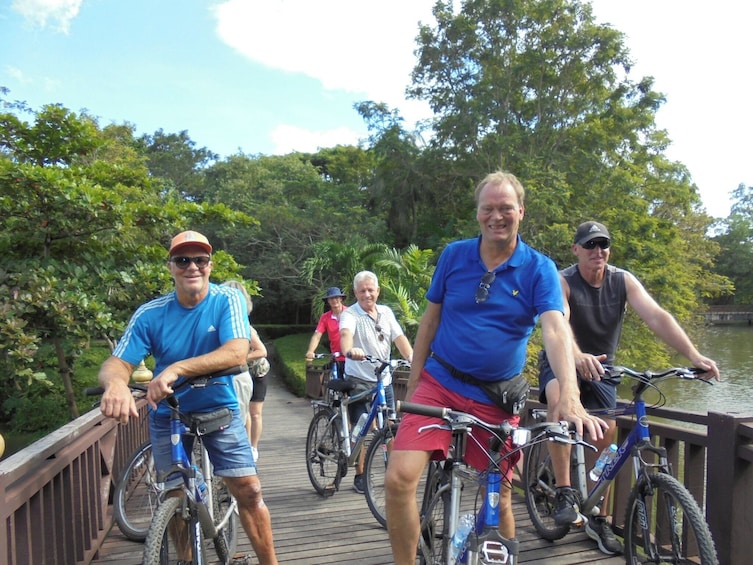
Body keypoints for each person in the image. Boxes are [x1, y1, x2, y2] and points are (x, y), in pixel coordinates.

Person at [384, 171, 607, 565]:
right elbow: (429, 322)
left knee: (500, 496)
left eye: (505, 208)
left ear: (520, 212)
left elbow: (555, 329)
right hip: (440, 383)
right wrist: (416, 382)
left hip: (496, 397)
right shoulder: (455, 255)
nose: (496, 216)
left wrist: (570, 396)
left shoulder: (538, 268)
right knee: (399, 478)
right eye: (488, 208)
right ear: (478, 214)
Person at [538, 220, 720, 555]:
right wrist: (576, 356)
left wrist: (694, 356)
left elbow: (656, 316)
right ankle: (563, 489)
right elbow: (559, 322)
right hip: (564, 358)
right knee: (559, 400)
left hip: (603, 367)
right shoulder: (563, 281)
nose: (598, 251)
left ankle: (596, 514)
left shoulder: (622, 280)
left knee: (606, 431)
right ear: (576, 249)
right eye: (590, 245)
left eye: (603, 244)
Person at [97, 230, 278, 565]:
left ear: (210, 265)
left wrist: (177, 368)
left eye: (200, 259)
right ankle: (187, 559)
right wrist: (116, 385)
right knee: (176, 497)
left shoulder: (227, 300)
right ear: (171, 267)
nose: (192, 266)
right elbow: (117, 362)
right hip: (170, 411)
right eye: (183, 260)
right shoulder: (151, 314)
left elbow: (237, 353)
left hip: (217, 407)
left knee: (249, 491)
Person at [340, 271, 413, 495]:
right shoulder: (350, 314)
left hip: (384, 378)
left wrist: (413, 358)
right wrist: (349, 350)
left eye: (371, 290)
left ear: (378, 291)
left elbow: (399, 338)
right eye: (362, 291)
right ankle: (360, 474)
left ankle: (392, 473)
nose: (367, 294)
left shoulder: (386, 312)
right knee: (362, 428)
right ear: (355, 293)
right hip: (359, 378)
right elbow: (345, 334)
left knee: (389, 426)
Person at [222, 280, 270, 463]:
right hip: (240, 374)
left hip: (257, 372)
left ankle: (253, 447)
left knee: (254, 412)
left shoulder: (245, 327)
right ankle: (246, 446)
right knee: (245, 413)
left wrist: (239, 358)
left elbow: (262, 351)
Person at [305, 286, 348, 377]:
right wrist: (310, 351)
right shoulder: (325, 317)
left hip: (350, 357)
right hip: (336, 357)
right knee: (326, 381)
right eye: (331, 298)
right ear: (328, 301)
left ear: (341, 299)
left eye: (336, 297)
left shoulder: (350, 313)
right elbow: (317, 336)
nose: (334, 300)